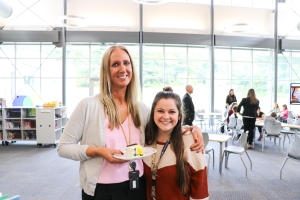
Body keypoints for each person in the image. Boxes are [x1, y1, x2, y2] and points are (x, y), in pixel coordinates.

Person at [57, 45, 203, 200]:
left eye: (126, 63)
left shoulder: (141, 108)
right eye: (115, 64)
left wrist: (191, 129)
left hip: (137, 186)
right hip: (101, 191)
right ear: (106, 71)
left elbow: (162, 130)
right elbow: (63, 147)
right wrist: (98, 151)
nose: (123, 69)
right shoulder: (88, 106)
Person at [143, 91, 209, 200]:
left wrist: (192, 128)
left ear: (179, 116)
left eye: (172, 112)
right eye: (160, 111)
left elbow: (200, 191)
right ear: (153, 113)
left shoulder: (191, 141)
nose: (166, 116)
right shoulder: (146, 139)